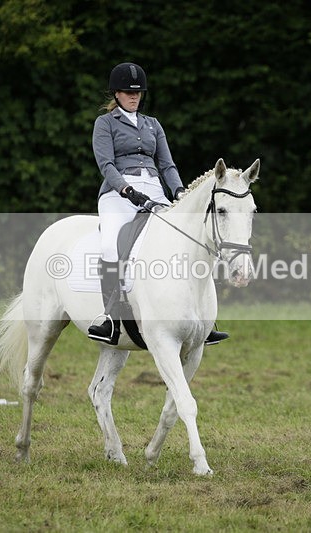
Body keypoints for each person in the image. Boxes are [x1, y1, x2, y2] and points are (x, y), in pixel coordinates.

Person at [87, 62, 229, 347]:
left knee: (187, 239)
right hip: (118, 194)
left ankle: (203, 318)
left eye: (138, 93)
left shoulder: (153, 124)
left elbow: (166, 163)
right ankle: (111, 318)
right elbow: (106, 164)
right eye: (128, 92)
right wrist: (126, 189)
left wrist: (178, 191)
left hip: (153, 189)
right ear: (116, 93)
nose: (134, 97)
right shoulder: (105, 124)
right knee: (110, 242)